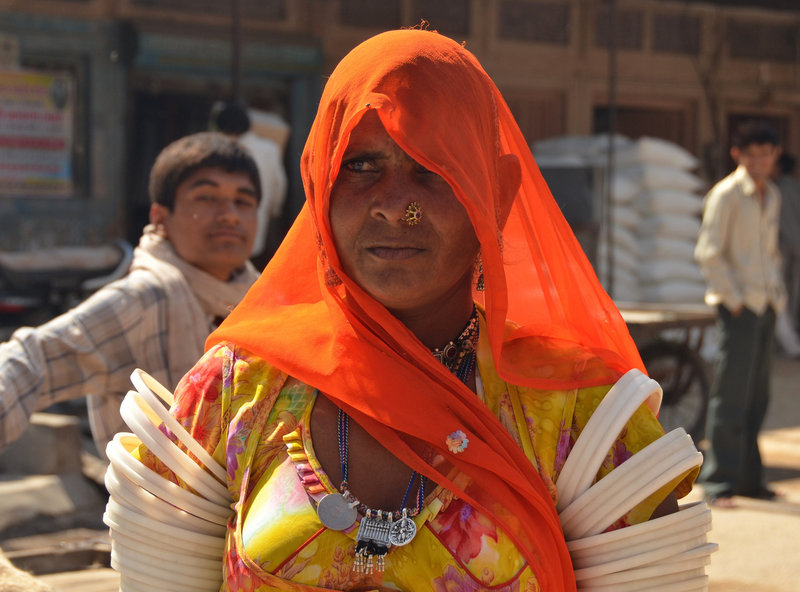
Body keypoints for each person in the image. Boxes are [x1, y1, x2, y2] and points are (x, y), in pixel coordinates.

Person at [125, 30, 698, 590]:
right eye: (360, 166)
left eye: (435, 167)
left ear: (494, 196)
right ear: (318, 181)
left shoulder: (577, 413)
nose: (396, 207)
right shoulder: (234, 392)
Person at [0, 132, 261, 456]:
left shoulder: (262, 301)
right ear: (160, 218)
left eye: (244, 201)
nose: (230, 215)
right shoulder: (148, 298)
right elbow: (29, 360)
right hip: (157, 504)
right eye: (206, 198)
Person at [695, 120, 786, 507]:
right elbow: (709, 252)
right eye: (752, 154)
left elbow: (768, 253)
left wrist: (776, 299)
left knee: (758, 396)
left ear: (774, 156)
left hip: (765, 304)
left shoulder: (774, 196)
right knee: (731, 393)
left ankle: (750, 479)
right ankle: (719, 481)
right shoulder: (726, 195)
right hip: (738, 307)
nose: (759, 162)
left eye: (766, 154)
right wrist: (732, 300)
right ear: (738, 155)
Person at [210, 100, 288, 261]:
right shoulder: (269, 149)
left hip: (219, 239)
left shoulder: (215, 150)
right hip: (254, 239)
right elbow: (279, 187)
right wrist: (273, 211)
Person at [775, 153, 800, 350]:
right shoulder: (797, 189)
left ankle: (789, 337)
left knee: (782, 293)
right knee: (794, 290)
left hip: (783, 247)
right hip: (798, 245)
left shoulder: (775, 190)